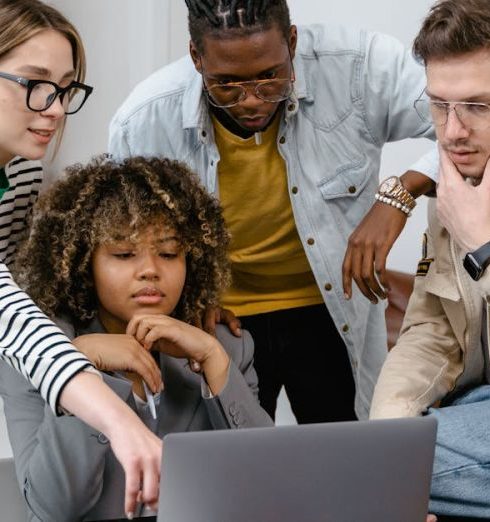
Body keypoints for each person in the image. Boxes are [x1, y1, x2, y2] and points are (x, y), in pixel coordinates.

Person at [109, 0, 437, 422]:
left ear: (292, 42)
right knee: (236, 466)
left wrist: (400, 192)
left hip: (332, 310)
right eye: (227, 84)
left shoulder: (360, 66)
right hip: (223, 322)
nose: (251, 102)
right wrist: (187, 299)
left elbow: (474, 120)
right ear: (195, 56)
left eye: (270, 77)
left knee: (345, 460)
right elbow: (129, 242)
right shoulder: (144, 120)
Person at [0, 154, 272, 521]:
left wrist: (213, 359)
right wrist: (84, 366)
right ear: (83, 262)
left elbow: (266, 484)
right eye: (124, 254)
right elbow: (54, 507)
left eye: (169, 252)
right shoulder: (36, 352)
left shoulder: (226, 344)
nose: (149, 270)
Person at [0, 0, 161, 515]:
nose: (55, 107)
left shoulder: (23, 169)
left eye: (66, 88)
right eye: (34, 83)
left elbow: (29, 287)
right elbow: (11, 316)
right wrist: (118, 420)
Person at [370, 0, 490, 518]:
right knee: (378, 455)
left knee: (382, 473)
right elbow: (434, 324)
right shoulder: (458, 179)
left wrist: (484, 246)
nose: (453, 131)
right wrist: (389, 423)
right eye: (439, 105)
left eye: (478, 106)